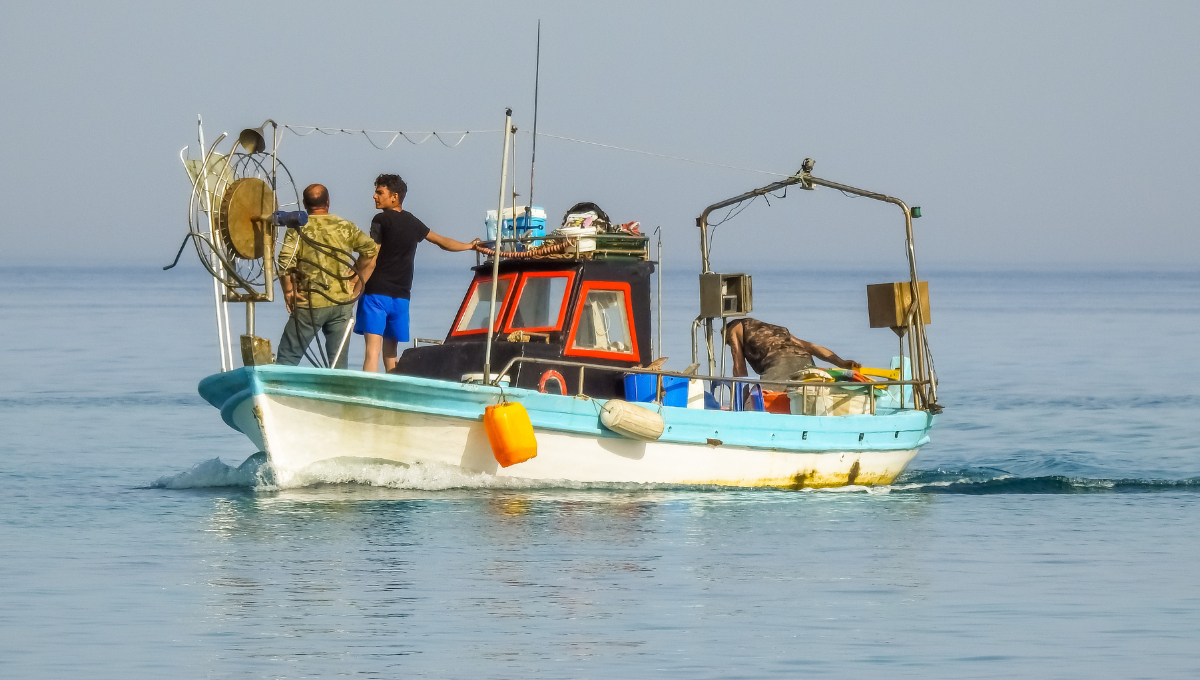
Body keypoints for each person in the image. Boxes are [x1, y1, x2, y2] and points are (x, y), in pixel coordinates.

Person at [356, 173, 480, 372]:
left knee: (372, 353)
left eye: (380, 192)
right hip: (401, 298)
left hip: (376, 293)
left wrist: (355, 286)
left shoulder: (380, 219)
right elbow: (441, 242)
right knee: (391, 355)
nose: (374, 196)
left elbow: (371, 258)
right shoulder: (412, 222)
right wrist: (469, 246)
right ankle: (392, 395)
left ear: (394, 196)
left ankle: (368, 397)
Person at [276, 184, 379, 369]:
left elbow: (285, 261)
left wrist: (289, 291)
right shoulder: (345, 226)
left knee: (287, 359)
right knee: (337, 365)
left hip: (310, 303)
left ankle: (277, 394)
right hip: (341, 304)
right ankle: (336, 396)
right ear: (328, 202)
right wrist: (353, 276)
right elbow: (370, 250)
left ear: (304, 204)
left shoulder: (298, 228)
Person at [725, 317, 861, 386]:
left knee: (761, 399)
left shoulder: (733, 328)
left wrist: (740, 400)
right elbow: (811, 347)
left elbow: (739, 368)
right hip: (804, 360)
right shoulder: (776, 330)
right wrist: (841, 362)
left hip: (779, 363)